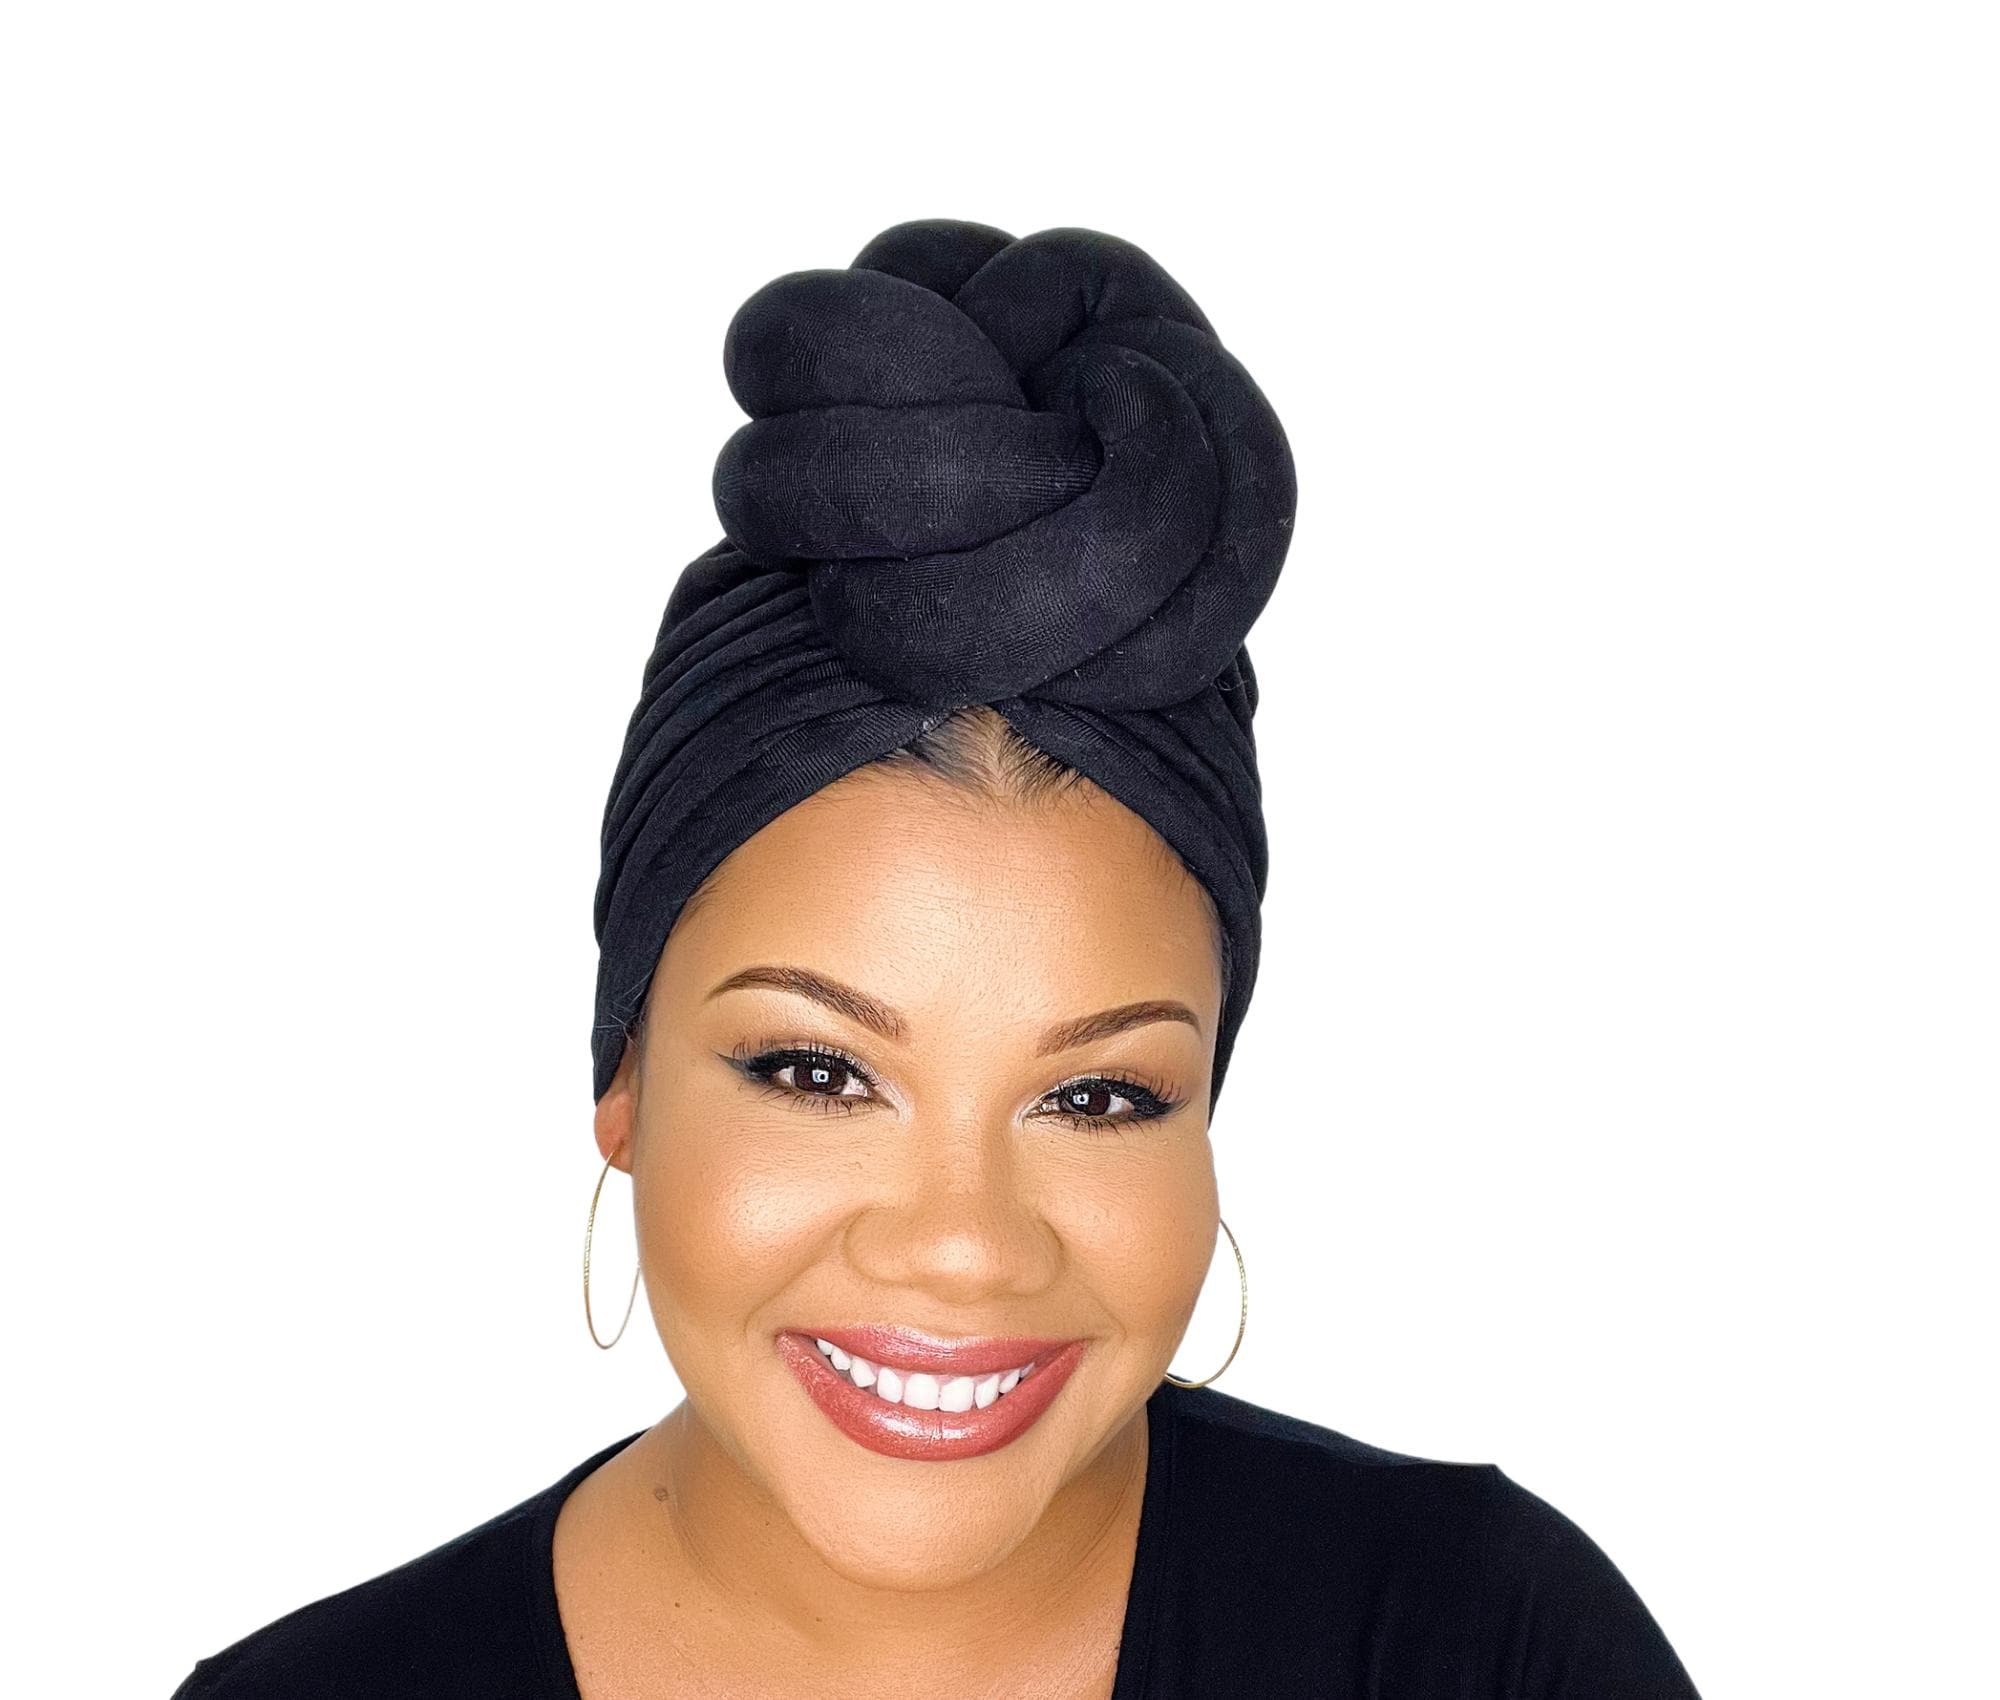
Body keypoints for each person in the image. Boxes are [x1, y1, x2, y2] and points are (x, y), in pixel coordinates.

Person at [171, 219, 1702, 1698]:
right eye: (817, 1072)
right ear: (625, 1080)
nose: (965, 1245)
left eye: (1098, 1096)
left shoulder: (1489, 1650)